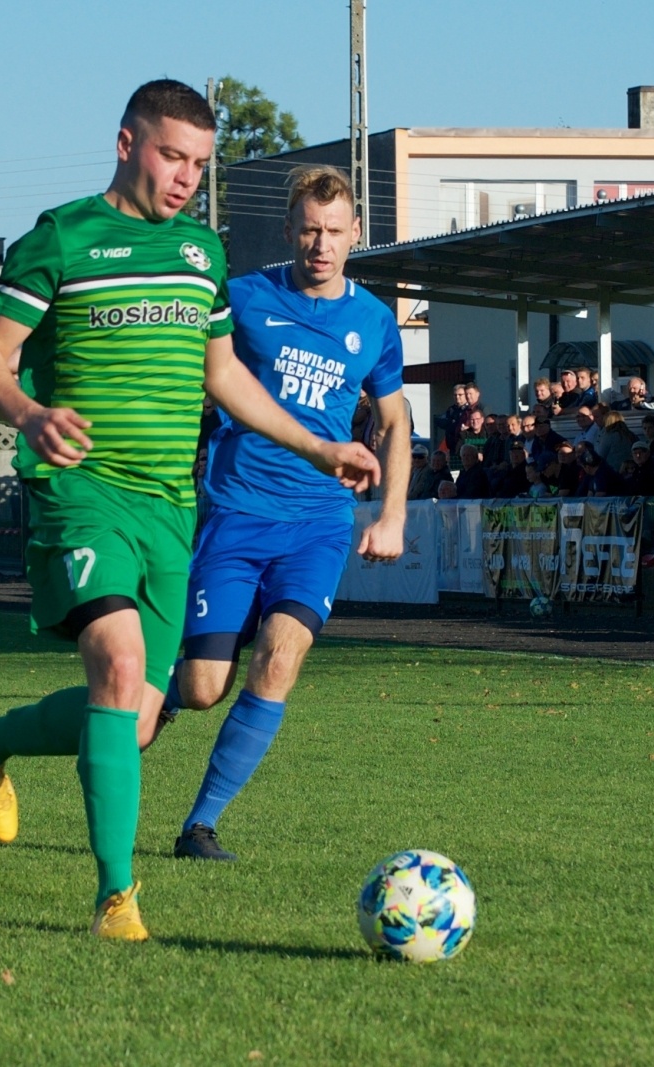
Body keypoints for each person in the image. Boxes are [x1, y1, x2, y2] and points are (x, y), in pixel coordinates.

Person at [0, 82, 379, 941]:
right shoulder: (62, 238)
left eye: (199, 164)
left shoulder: (198, 254)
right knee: (113, 659)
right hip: (81, 491)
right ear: (126, 142)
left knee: (139, 715)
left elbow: (224, 376)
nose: (185, 178)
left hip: (171, 508)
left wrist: (319, 447)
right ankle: (117, 898)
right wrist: (30, 414)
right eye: (172, 156)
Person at [162, 164, 409, 864]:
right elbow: (193, 371)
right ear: (289, 230)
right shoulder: (241, 298)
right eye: (309, 229)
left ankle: (199, 826)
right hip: (236, 514)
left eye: (333, 231)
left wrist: (391, 514)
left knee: (278, 657)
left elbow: (395, 419)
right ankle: (164, 692)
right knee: (206, 686)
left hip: (319, 523)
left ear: (356, 233)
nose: (320, 244)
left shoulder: (373, 321)